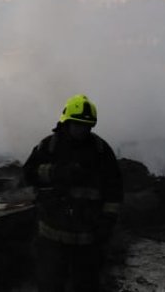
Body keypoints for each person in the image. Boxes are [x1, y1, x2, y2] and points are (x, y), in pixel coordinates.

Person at [23, 94, 123, 292]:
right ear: (66, 122)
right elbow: (28, 173)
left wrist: (107, 221)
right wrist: (55, 172)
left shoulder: (101, 151)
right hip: (51, 237)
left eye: (86, 126)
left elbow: (114, 190)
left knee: (86, 286)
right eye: (77, 124)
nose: (81, 130)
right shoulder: (49, 146)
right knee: (50, 285)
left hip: (88, 239)